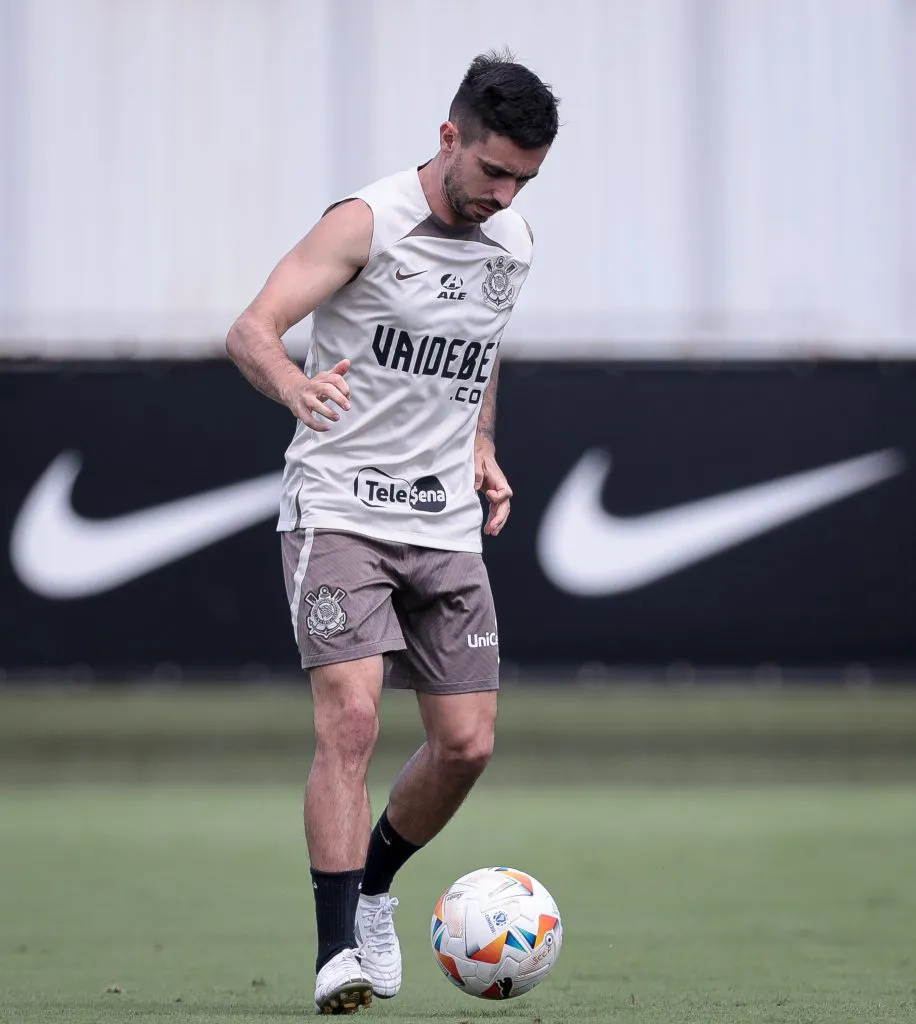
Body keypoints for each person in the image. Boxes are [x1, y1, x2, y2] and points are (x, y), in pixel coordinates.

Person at [226, 49, 560, 1015]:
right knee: (354, 720)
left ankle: (374, 887)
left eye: (524, 179)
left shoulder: (515, 242)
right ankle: (338, 952)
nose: (504, 193)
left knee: (467, 745)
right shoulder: (366, 222)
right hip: (339, 507)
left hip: (446, 524)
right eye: (494, 170)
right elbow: (251, 326)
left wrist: (483, 440)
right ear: (449, 136)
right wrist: (294, 385)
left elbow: (480, 349)